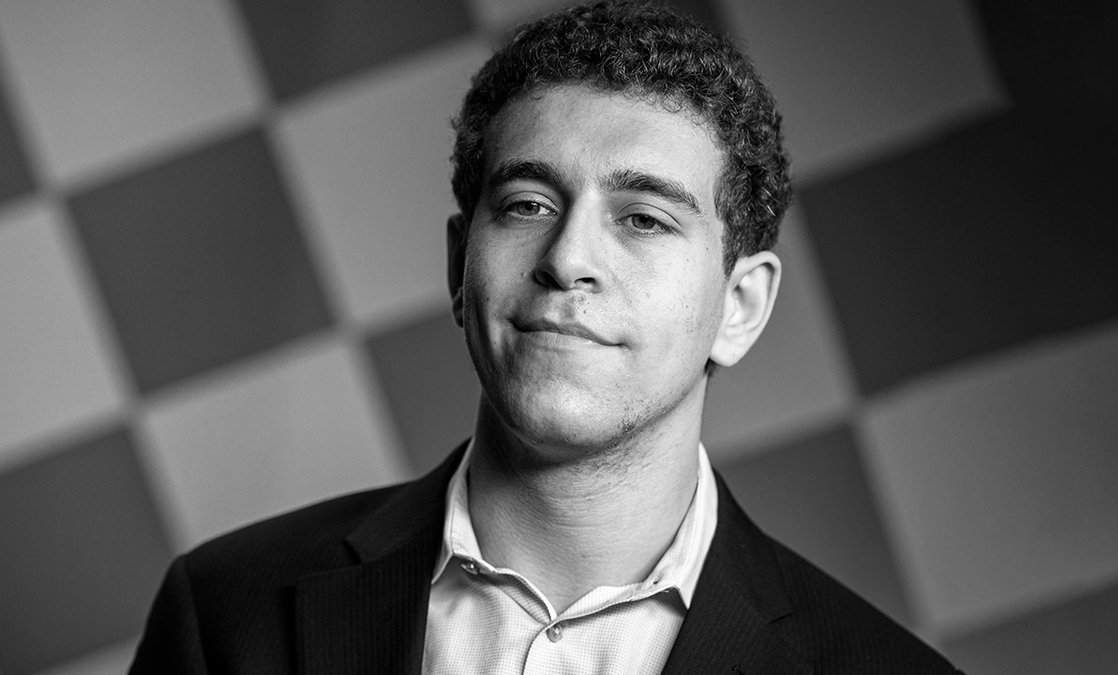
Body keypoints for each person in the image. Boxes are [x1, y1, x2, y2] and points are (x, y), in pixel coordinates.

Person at [130, 2, 961, 672]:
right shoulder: (226, 611)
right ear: (459, 265)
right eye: (528, 204)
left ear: (740, 306)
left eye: (643, 218)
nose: (567, 259)